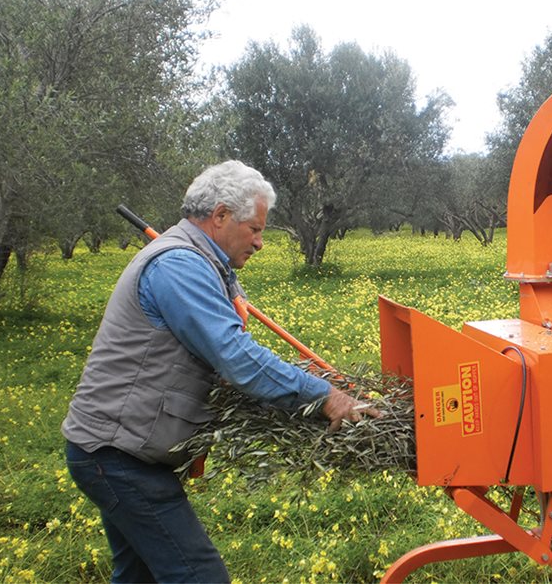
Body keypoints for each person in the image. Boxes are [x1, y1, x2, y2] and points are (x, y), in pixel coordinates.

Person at [62, 160, 380, 583]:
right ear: (220, 216)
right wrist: (325, 397)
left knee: (140, 576)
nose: (260, 242)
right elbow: (236, 358)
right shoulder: (179, 266)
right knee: (199, 575)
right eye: (255, 229)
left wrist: (297, 395)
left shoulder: (206, 266)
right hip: (119, 455)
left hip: (117, 449)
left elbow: (229, 362)